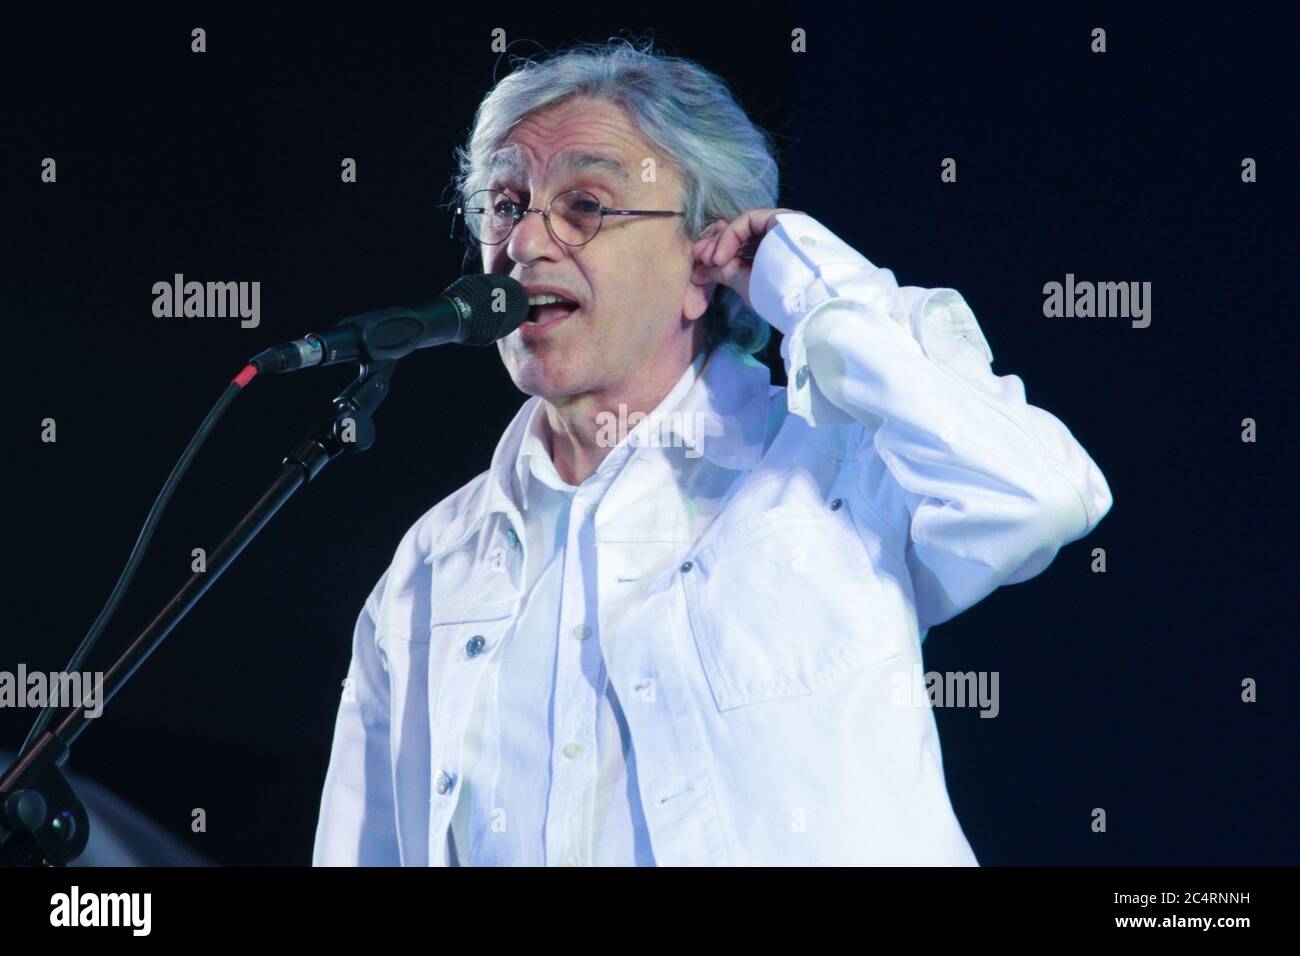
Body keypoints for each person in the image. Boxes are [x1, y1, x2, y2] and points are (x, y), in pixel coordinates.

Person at [312, 39, 1112, 866]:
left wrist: (808, 284)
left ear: (706, 261)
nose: (526, 245)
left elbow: (1040, 494)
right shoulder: (430, 568)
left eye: (586, 204)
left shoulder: (832, 468)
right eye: (507, 203)